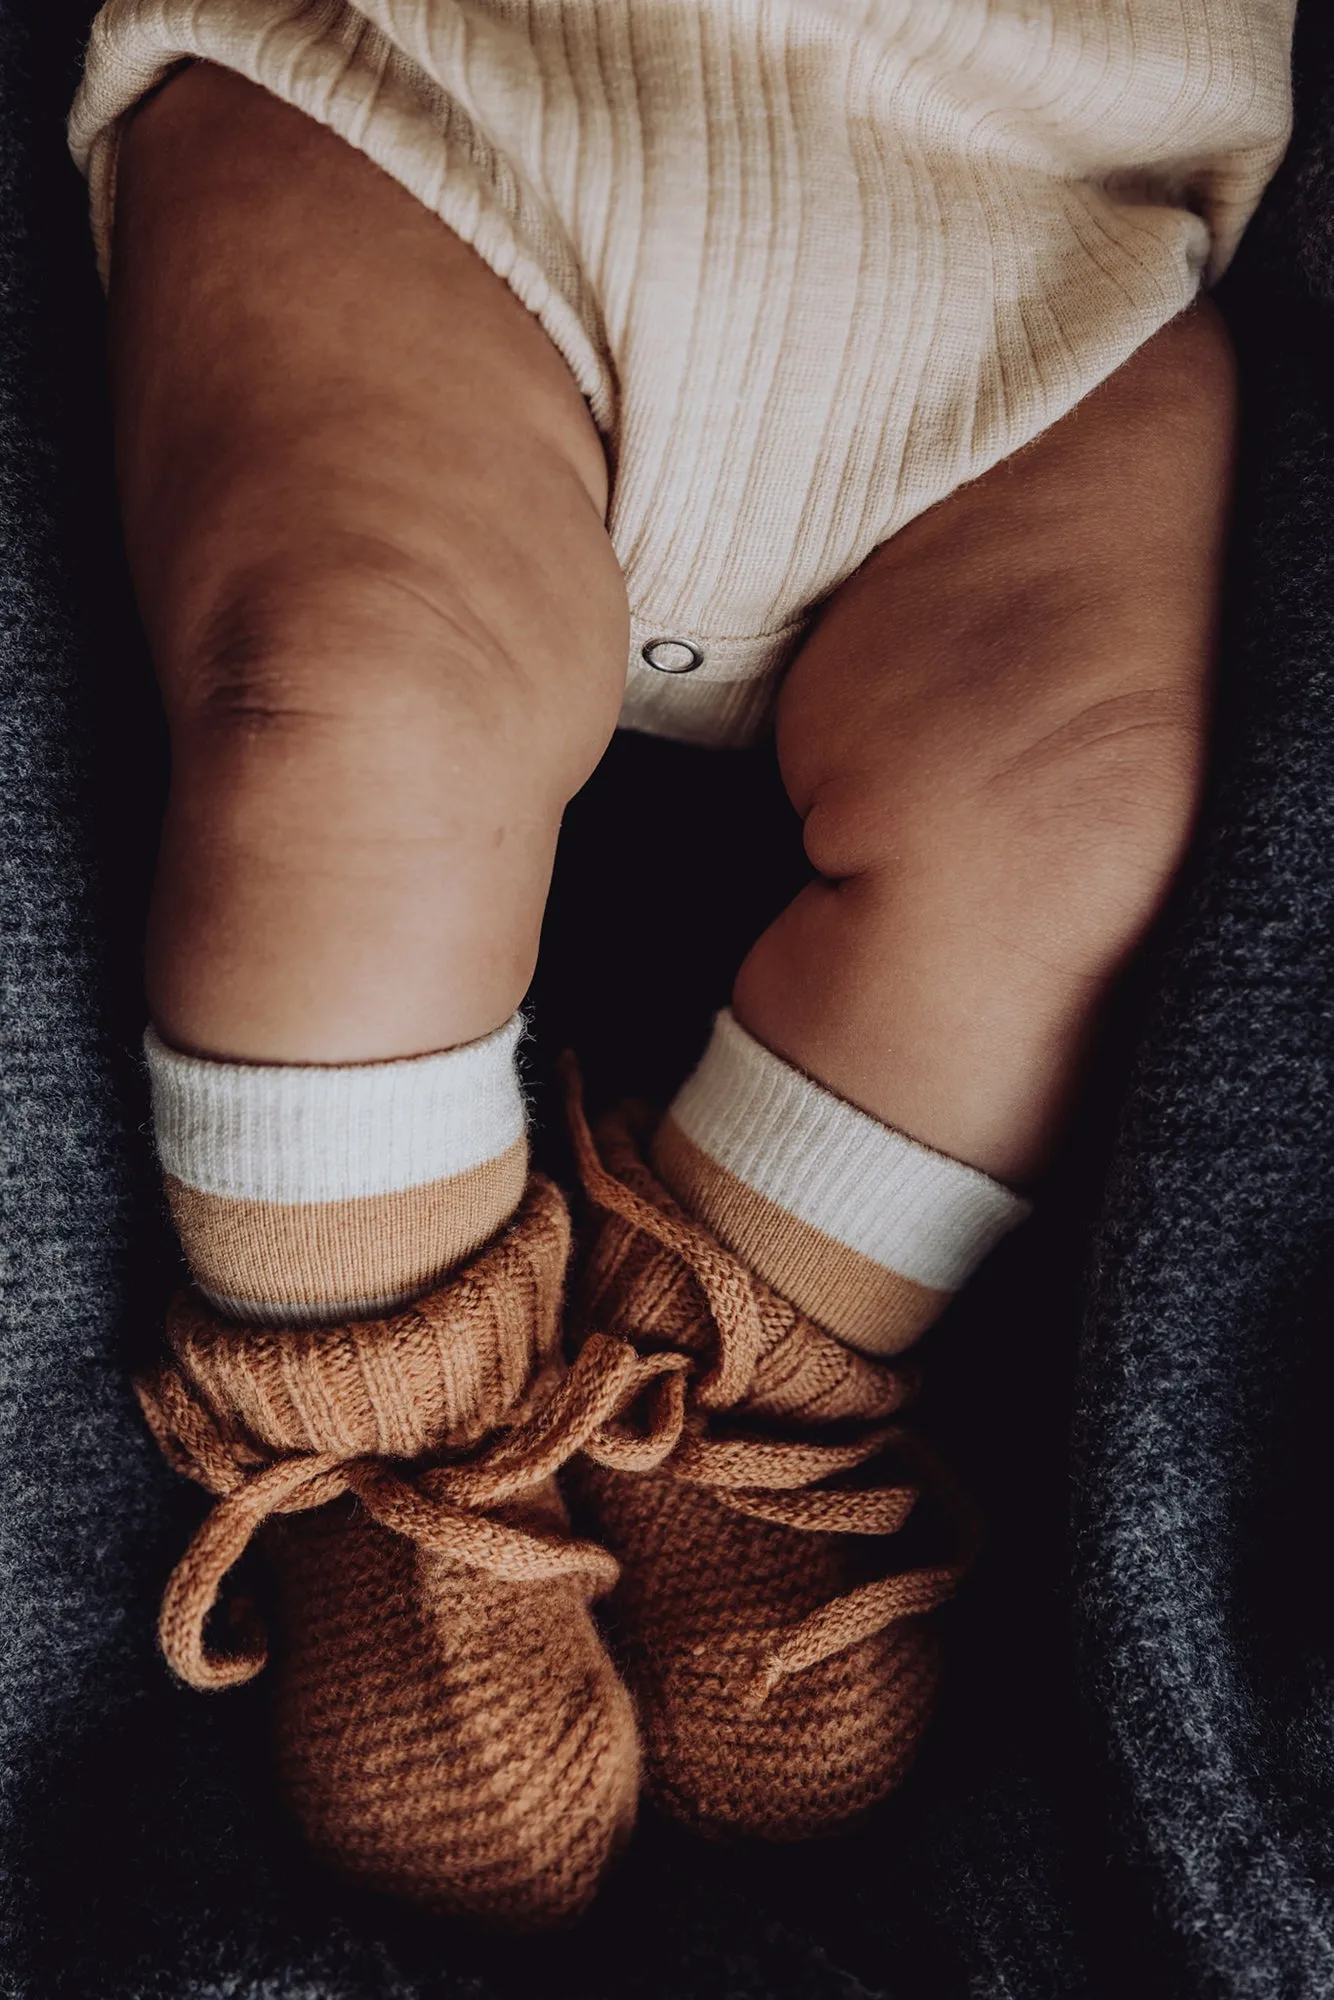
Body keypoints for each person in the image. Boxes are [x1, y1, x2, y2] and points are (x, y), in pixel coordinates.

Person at [67, 0, 1293, 1934]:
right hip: (434, 104)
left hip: (1045, 220)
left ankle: (759, 1341)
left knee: (1079, 804)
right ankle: (393, 1413)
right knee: (350, 700)